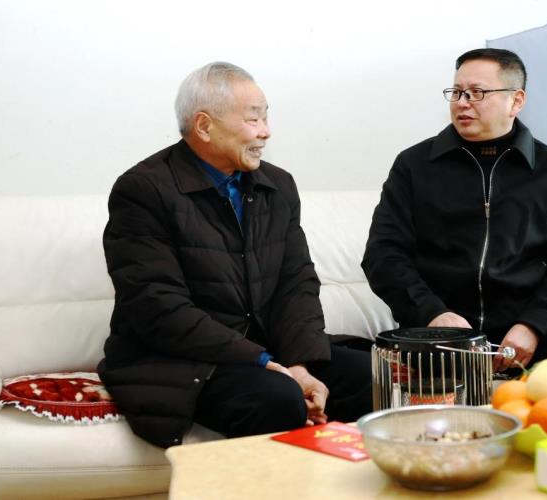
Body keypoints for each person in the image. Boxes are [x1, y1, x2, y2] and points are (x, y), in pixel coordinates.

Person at [99, 62, 372, 448]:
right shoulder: (144, 190)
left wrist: (298, 364)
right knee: (277, 398)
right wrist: (262, 361)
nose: (266, 131)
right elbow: (157, 307)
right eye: (252, 119)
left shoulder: (278, 185)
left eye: (266, 117)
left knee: (371, 376)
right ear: (204, 126)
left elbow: (296, 283)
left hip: (265, 348)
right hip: (181, 359)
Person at [362, 48, 547, 386]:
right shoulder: (414, 166)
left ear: (516, 101)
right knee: (374, 370)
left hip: (522, 330)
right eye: (457, 92)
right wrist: (433, 315)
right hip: (438, 332)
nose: (462, 103)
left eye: (477, 93)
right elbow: (383, 255)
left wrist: (533, 325)